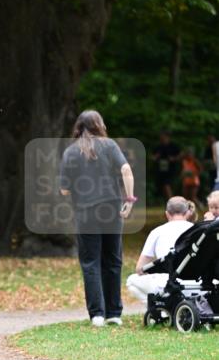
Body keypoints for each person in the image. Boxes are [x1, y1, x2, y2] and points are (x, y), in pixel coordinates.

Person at [60, 110, 135, 327]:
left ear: (78, 127)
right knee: (113, 259)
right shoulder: (109, 145)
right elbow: (126, 170)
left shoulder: (70, 152)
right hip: (112, 208)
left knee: (90, 261)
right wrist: (129, 200)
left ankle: (97, 315)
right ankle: (114, 313)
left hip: (85, 212)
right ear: (99, 124)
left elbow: (64, 190)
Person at [125, 196, 194, 304]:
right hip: (195, 285)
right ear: (187, 213)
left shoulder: (156, 232)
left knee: (131, 281)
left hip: (165, 284)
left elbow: (139, 268)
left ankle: (158, 306)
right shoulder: (198, 231)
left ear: (167, 214)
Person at [152, 131, 180, 201]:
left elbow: (180, 155)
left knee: (167, 185)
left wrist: (173, 158)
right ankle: (169, 201)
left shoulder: (173, 146)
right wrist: (155, 157)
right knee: (163, 186)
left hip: (170, 169)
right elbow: (153, 157)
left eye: (163, 137)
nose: (162, 139)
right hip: (160, 169)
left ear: (167, 137)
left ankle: (172, 201)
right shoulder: (159, 147)